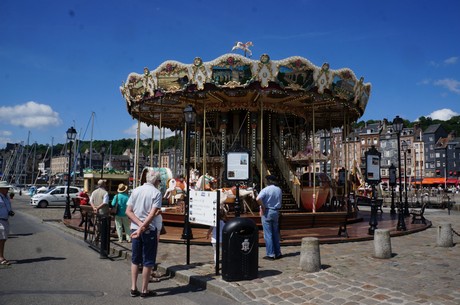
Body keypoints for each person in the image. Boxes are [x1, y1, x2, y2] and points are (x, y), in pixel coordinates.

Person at [126, 168, 162, 298]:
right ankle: (144, 289)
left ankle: (133, 287)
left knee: (135, 259)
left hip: (134, 228)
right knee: (148, 260)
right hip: (149, 229)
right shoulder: (156, 193)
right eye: (159, 181)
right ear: (157, 181)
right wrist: (143, 226)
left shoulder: (135, 191)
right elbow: (152, 214)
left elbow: (128, 211)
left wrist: (139, 225)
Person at [256, 175, 282, 260]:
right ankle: (278, 252)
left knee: (268, 234)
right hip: (276, 211)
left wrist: (262, 206)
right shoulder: (278, 189)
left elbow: (258, 198)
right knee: (275, 233)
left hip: (267, 210)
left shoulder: (266, 189)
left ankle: (270, 254)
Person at [0, 181, 15, 265]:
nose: (8, 189)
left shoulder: (6, 197)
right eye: (6, 188)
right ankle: (1, 258)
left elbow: (7, 207)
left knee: (3, 239)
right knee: (1, 239)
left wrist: (10, 211)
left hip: (5, 220)